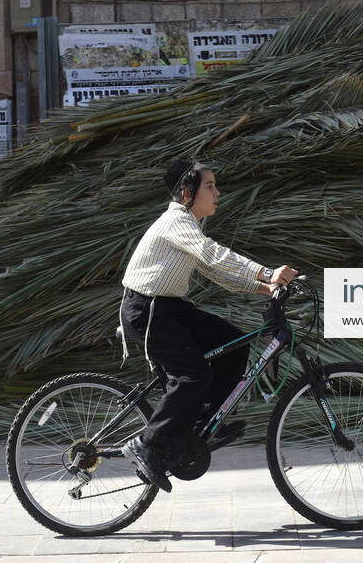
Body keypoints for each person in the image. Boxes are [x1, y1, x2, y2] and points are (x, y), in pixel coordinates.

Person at [118, 159, 298, 492]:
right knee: (193, 375)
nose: (218, 192)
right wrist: (268, 272)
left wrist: (266, 287)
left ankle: (198, 427)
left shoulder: (190, 224)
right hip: (148, 312)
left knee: (234, 343)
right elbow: (213, 254)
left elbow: (217, 273)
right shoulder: (176, 220)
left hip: (168, 309)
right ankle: (149, 444)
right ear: (187, 194)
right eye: (211, 186)